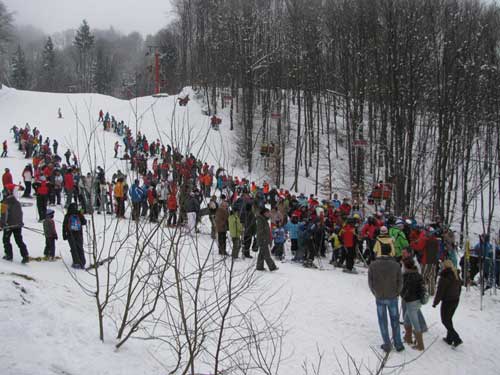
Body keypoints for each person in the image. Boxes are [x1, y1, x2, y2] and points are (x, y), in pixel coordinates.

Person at [368, 242, 404, 353]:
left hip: (380, 296)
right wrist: (397, 292)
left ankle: (387, 343)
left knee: (382, 320)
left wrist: (375, 292)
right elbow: (400, 281)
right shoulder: (396, 265)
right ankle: (398, 343)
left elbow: (370, 282)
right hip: (392, 296)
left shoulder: (373, 265)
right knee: (395, 320)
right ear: (390, 251)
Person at [433, 260, 463, 347]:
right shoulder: (456, 275)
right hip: (455, 300)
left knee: (445, 320)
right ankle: (449, 338)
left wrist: (435, 303)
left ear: (444, 267)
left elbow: (440, 292)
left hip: (447, 301)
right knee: (449, 319)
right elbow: (459, 289)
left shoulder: (444, 277)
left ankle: (456, 338)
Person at [401, 257, 425, 351]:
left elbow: (404, 290)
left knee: (415, 323)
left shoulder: (406, 277)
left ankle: (420, 345)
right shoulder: (418, 275)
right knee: (407, 319)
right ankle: (408, 338)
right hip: (417, 301)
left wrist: (402, 294)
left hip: (411, 302)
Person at [1, 184, 30, 263]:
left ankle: (9, 255)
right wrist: (20, 222)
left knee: (6, 240)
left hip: (9, 225)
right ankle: (25, 255)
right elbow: (20, 213)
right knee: (19, 240)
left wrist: (2, 224)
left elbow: (4, 215)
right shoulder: (17, 202)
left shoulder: (4, 203)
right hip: (18, 225)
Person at [62, 202, 87, 269]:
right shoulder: (78, 214)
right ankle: (82, 262)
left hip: (70, 235)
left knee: (73, 248)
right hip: (79, 234)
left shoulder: (67, 215)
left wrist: (64, 235)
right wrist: (81, 214)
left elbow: (64, 226)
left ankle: (76, 263)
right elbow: (84, 222)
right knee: (80, 248)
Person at [255, 207, 278, 271]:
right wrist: (264, 238)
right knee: (266, 254)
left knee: (261, 254)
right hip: (263, 240)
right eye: (268, 212)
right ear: (264, 213)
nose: (269, 214)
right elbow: (260, 231)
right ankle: (272, 267)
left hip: (265, 239)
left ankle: (259, 266)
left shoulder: (264, 220)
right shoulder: (260, 220)